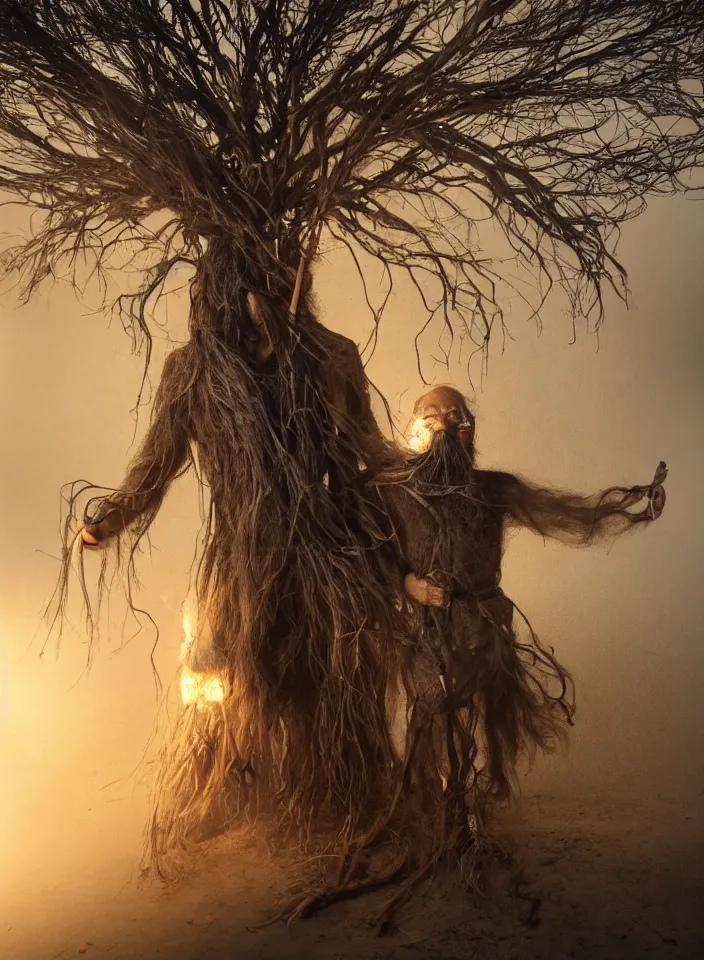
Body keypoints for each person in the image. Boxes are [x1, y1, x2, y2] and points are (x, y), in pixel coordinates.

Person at [371, 384, 667, 856]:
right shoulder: (394, 493)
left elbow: (563, 514)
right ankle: (430, 805)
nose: (445, 422)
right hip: (425, 628)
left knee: (457, 699)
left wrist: (626, 505)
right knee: (432, 702)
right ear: (415, 429)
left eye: (455, 414)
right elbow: (379, 556)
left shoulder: (493, 490)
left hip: (481, 622)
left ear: (470, 428)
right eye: (432, 415)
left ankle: (461, 805)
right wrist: (411, 586)